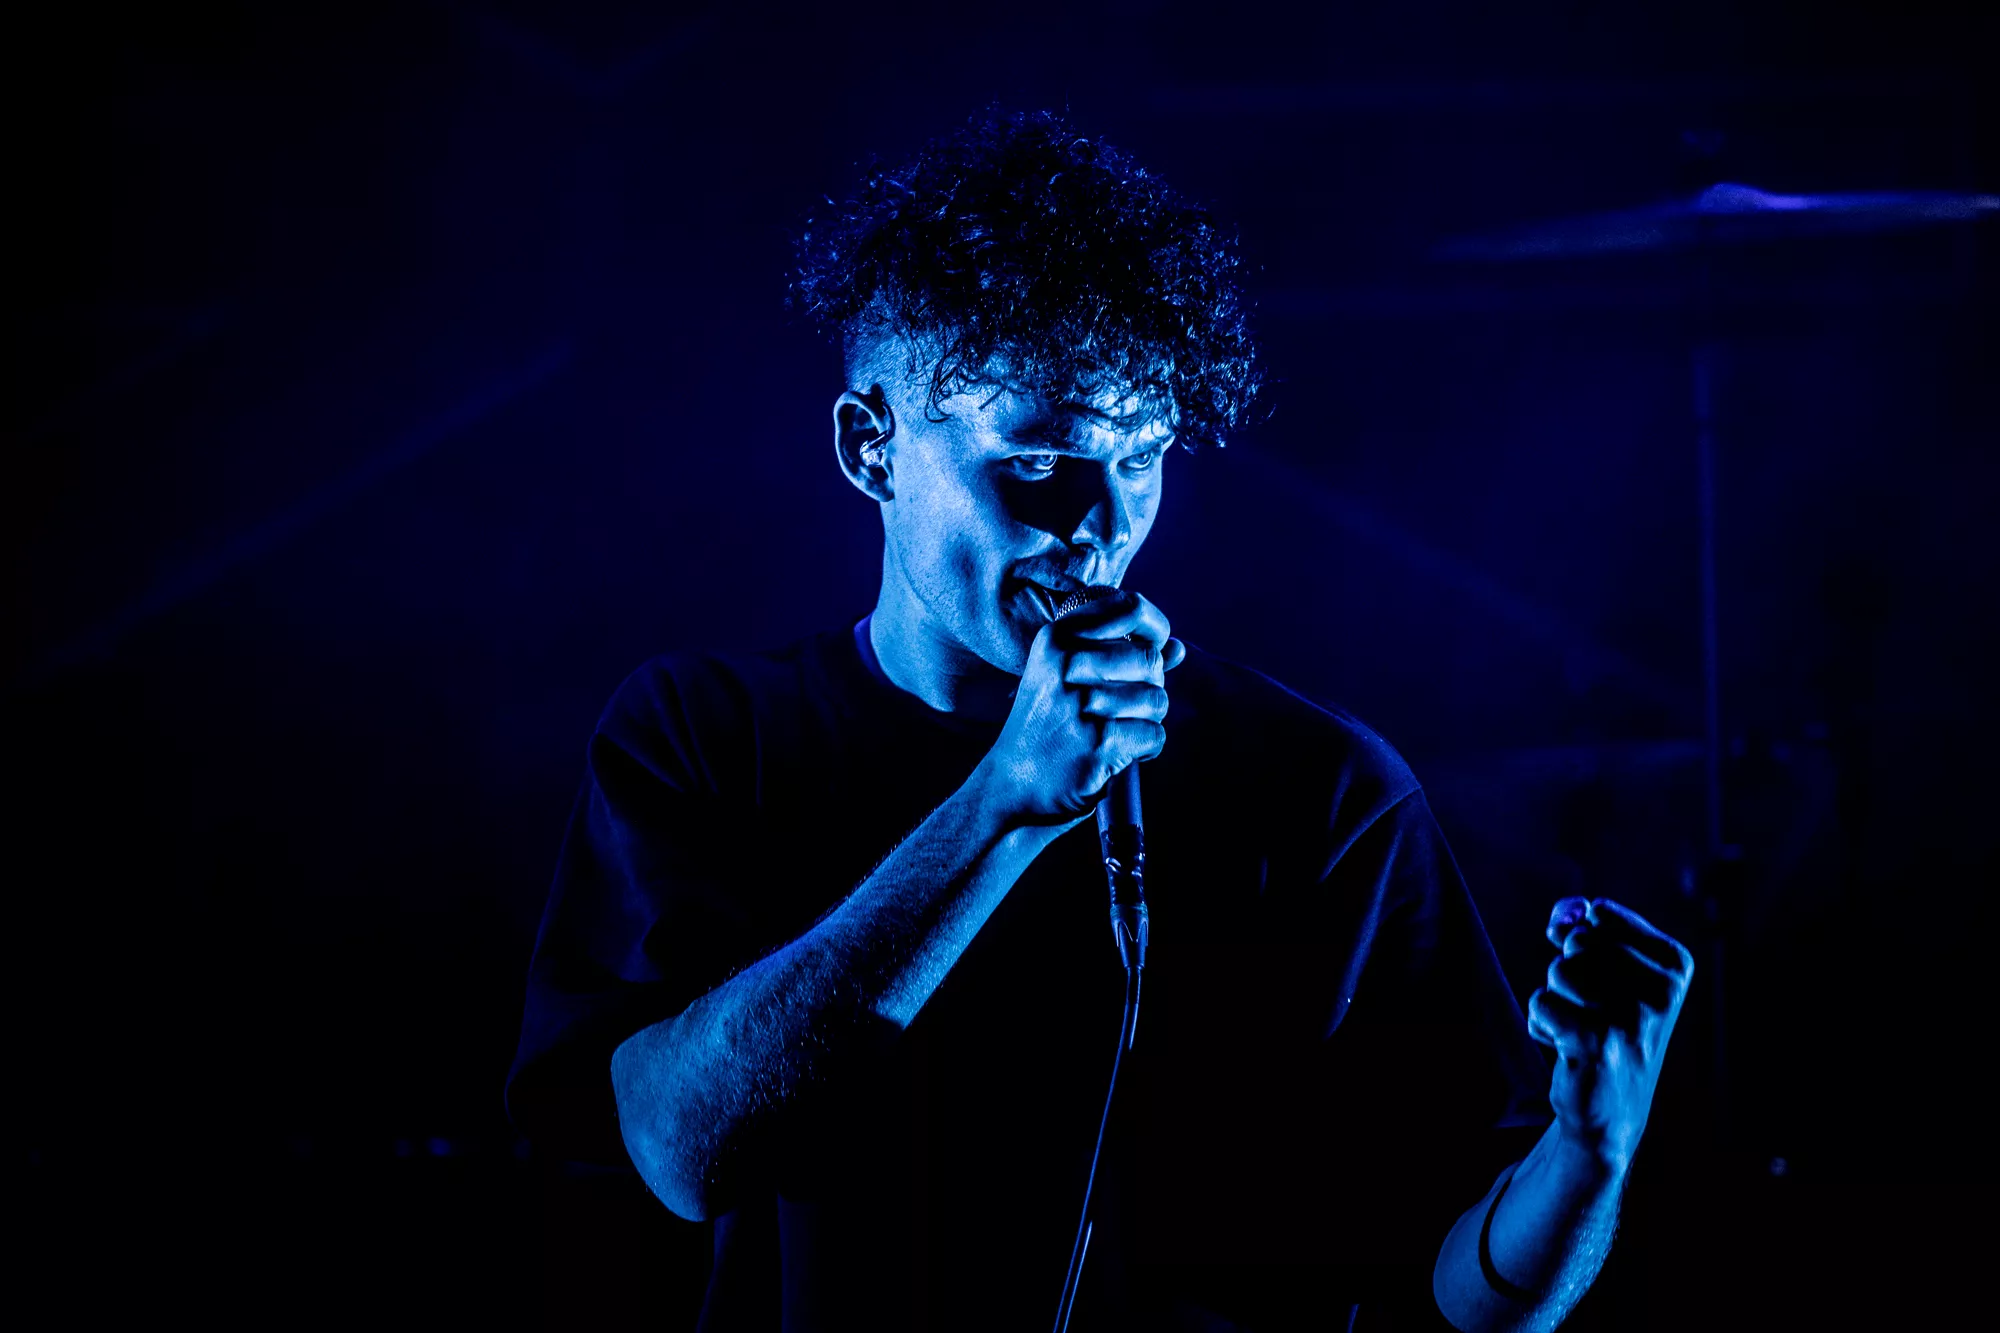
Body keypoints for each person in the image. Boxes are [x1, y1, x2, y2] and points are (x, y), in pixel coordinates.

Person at [507, 108, 1694, 1332]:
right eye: (1034, 464)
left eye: (1141, 456)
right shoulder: (704, 737)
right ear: (872, 449)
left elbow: (1467, 1295)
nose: (1101, 524)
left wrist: (1584, 1157)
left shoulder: (1318, 787)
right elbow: (681, 1153)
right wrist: (1004, 803)